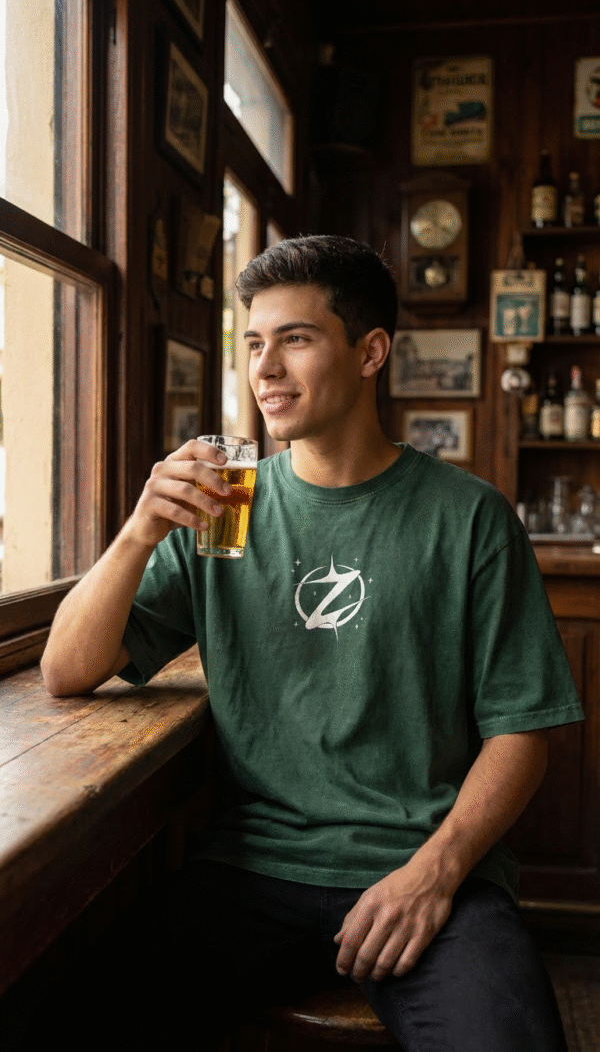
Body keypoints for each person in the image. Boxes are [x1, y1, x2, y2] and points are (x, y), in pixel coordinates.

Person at [42, 235, 583, 1052]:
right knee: (78, 1021)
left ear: (371, 352)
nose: (265, 367)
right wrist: (138, 532)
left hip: (428, 862)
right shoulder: (228, 505)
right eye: (254, 342)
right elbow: (66, 669)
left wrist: (435, 873)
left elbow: (523, 731)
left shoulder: (470, 517)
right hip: (251, 868)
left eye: (295, 339)